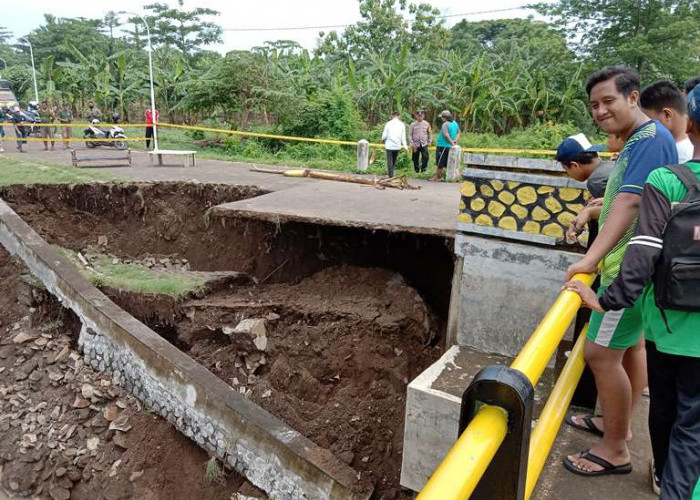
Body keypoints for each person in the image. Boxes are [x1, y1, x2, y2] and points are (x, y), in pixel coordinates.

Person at [565, 85, 700, 500]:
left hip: (633, 283)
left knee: (600, 354)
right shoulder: (647, 141)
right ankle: (617, 426)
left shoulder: (654, 151)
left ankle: (616, 445)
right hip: (662, 308)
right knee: (639, 361)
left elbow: (631, 209)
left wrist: (595, 271)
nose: (600, 112)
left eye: (608, 101)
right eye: (593, 105)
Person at [555, 133, 613, 242]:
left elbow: (613, 212)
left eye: (566, 170)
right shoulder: (611, 166)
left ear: (575, 166)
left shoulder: (596, 181)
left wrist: (589, 213)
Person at [641, 81, 694, 163]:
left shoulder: (681, 157)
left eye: (650, 122)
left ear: (667, 115)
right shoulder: (692, 147)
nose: (647, 127)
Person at [431, 110, 460, 181]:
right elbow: (458, 132)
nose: (441, 119)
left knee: (440, 161)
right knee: (448, 161)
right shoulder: (454, 123)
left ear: (445, 118)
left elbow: (446, 135)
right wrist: (455, 141)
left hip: (443, 145)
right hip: (450, 146)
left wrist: (451, 143)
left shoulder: (445, 124)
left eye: (442, 117)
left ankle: (438, 177)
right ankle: (450, 176)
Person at [381, 111, 407, 177]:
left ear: (392, 116)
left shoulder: (388, 123)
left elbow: (384, 135)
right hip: (397, 146)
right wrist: (405, 146)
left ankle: (390, 175)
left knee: (389, 160)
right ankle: (391, 174)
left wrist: (382, 139)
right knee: (394, 160)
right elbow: (403, 137)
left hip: (389, 145)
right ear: (399, 116)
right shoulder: (402, 124)